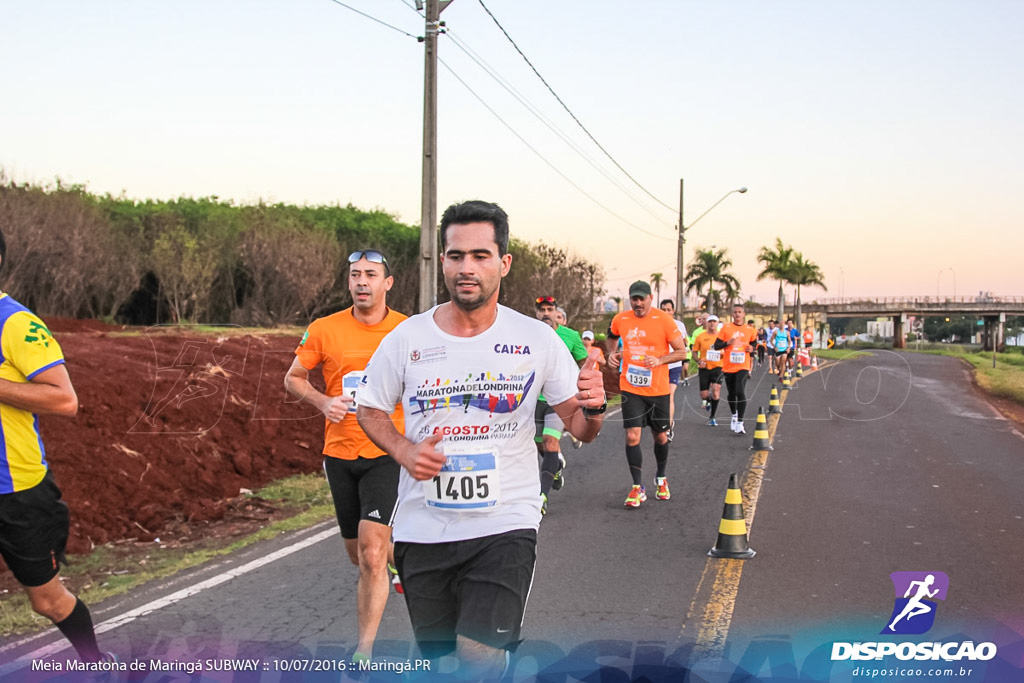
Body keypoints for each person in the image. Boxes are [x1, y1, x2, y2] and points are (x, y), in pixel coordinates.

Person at [356, 200, 605, 679]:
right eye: (455, 256)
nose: (466, 268)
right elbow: (369, 408)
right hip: (421, 528)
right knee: (442, 664)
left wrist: (594, 408)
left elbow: (580, 427)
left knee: (478, 656)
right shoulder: (407, 339)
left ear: (504, 263)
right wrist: (405, 450)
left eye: (480, 256)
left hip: (505, 522)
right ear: (443, 261)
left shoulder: (536, 339)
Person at [283, 248, 406, 661]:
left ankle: (364, 650)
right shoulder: (324, 329)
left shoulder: (407, 331)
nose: (361, 282)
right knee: (359, 554)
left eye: (371, 274)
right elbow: (293, 379)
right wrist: (323, 403)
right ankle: (404, 556)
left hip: (388, 451)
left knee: (372, 554)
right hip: (339, 453)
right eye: (355, 274)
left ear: (387, 283)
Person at [0, 229, 113, 664]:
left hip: (17, 491)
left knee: (46, 601)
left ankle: (95, 662)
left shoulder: (15, 324)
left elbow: (64, 400)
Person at [607, 282, 688, 507]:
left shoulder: (664, 320)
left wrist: (660, 360)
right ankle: (637, 487)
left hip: (658, 389)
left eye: (642, 299)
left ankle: (661, 478)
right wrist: (612, 354)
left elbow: (682, 351)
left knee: (660, 436)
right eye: (634, 299)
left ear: (650, 298)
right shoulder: (620, 319)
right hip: (631, 387)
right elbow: (612, 336)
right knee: (632, 436)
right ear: (630, 299)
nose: (638, 303)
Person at [533, 295, 587, 513]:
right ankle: (554, 467)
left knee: (549, 440)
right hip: (533, 400)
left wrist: (584, 390)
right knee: (538, 444)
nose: (545, 313)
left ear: (557, 313)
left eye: (549, 309)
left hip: (560, 400)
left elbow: (585, 364)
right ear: (536, 312)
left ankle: (542, 497)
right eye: (541, 309)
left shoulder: (570, 336)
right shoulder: (528, 335)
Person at [714, 302, 758, 435]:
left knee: (740, 390)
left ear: (744, 314)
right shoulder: (726, 328)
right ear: (732, 314)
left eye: (740, 312)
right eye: (735, 312)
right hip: (728, 366)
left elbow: (754, 345)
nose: (737, 314)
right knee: (732, 393)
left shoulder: (750, 330)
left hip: (743, 366)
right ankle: (734, 415)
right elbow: (716, 346)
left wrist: (752, 348)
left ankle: (740, 422)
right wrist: (727, 343)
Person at [658, 299, 689, 438]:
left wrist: (684, 343)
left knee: (669, 395)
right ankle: (662, 421)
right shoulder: (655, 324)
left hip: (674, 365)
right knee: (659, 397)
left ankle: (668, 427)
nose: (666, 312)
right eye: (663, 310)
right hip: (659, 365)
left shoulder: (679, 325)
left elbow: (685, 343)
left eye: (668, 310)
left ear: (673, 311)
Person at [691, 315, 724, 425]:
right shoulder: (700, 337)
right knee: (704, 395)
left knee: (715, 391)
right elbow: (694, 352)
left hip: (718, 367)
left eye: (714, 322)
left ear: (717, 323)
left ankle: (712, 417)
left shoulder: (722, 336)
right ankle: (709, 401)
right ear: (706, 323)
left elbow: (728, 350)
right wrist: (699, 361)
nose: (712, 324)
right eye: (710, 322)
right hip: (704, 368)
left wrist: (723, 354)